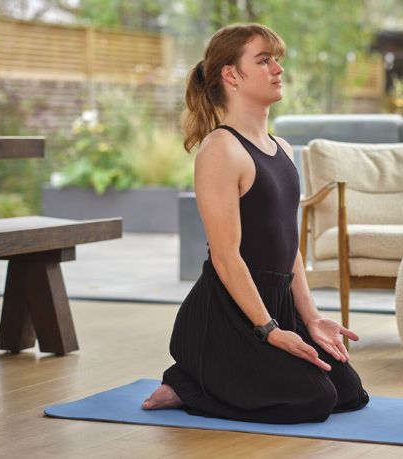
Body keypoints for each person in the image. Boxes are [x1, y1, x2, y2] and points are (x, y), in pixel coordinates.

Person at [141, 23, 369, 424]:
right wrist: (269, 330)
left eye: (276, 59)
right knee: (312, 401)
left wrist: (311, 318)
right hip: (227, 315)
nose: (277, 68)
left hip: (279, 303)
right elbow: (227, 258)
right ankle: (187, 382)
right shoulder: (220, 150)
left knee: (348, 394)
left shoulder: (282, 148)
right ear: (231, 74)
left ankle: (208, 378)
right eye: (263, 60)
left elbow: (288, 247)